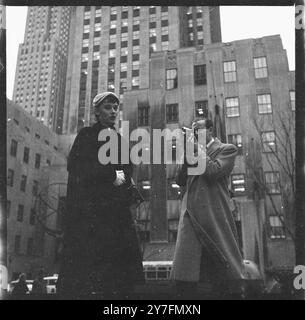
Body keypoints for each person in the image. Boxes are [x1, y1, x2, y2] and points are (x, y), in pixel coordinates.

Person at [57, 92, 144, 299]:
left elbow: (127, 170)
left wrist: (121, 177)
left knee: (117, 276)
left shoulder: (119, 140)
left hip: (115, 213)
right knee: (88, 271)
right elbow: (76, 165)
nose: (113, 111)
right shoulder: (87, 135)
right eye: (108, 107)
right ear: (97, 111)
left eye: (115, 107)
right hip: (90, 214)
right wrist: (111, 174)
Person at [171, 119, 247, 299]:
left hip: (213, 211)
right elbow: (180, 180)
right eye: (193, 130)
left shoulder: (227, 149)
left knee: (220, 265)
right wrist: (186, 158)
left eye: (199, 129)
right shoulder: (194, 150)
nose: (195, 133)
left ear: (211, 130)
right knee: (186, 271)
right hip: (191, 211)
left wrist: (197, 149)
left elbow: (214, 171)